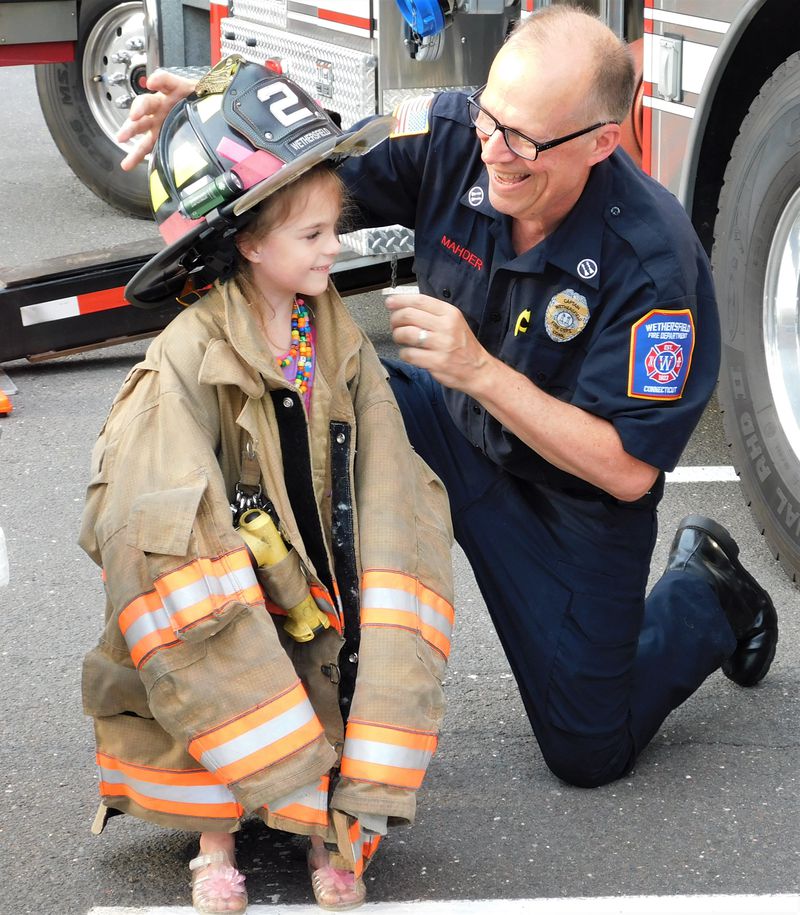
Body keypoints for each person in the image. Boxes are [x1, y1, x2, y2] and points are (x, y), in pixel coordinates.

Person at [116, 6, 778, 791]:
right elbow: (309, 169)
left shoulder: (655, 262)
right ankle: (303, 681)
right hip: (446, 422)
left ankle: (706, 587)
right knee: (296, 392)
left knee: (588, 750)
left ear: (602, 142)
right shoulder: (456, 131)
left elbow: (629, 470)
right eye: (492, 117)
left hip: (568, 499)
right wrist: (210, 122)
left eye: (526, 138)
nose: (494, 151)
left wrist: (481, 370)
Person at [81, 58, 454, 915]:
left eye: (336, 228)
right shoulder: (183, 351)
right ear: (249, 241)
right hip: (228, 576)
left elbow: (386, 470)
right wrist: (234, 573)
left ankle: (328, 833)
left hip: (313, 579)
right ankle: (215, 846)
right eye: (314, 235)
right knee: (216, 664)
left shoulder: (338, 338)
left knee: (325, 671)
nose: (337, 248)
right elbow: (159, 506)